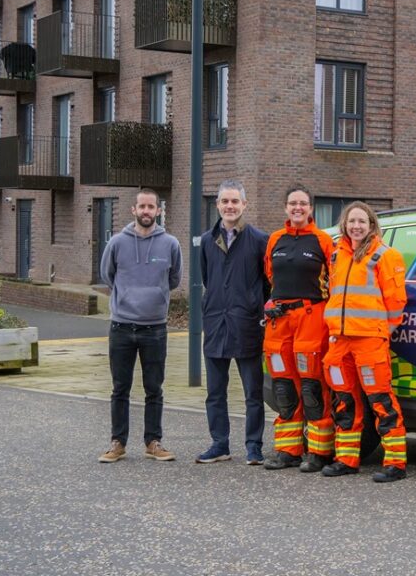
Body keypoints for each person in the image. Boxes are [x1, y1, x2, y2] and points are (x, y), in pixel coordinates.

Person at [322, 201, 408, 483]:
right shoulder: (337, 256)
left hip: (370, 340)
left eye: (362, 221)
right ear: (344, 225)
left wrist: (382, 331)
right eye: (351, 221)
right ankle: (347, 458)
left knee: (380, 400)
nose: (356, 226)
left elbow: (396, 303)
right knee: (344, 401)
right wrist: (335, 329)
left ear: (372, 225)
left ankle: (395, 462)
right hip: (340, 340)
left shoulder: (386, 255)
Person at [98, 188, 183, 463]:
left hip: (155, 328)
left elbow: (174, 279)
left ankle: (153, 442)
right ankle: (117, 442)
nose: (146, 211)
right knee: (120, 387)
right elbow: (107, 275)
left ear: (158, 211)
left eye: (151, 207)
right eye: (142, 207)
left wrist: (153, 297)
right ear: (133, 210)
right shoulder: (117, 243)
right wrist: (127, 297)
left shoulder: (170, 244)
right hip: (121, 327)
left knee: (154, 388)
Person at [262, 185, 336, 472]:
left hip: (311, 317)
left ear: (311, 208)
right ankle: (288, 451)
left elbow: (334, 280)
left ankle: (318, 452)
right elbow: (271, 275)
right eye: (293, 203)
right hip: (279, 320)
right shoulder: (275, 240)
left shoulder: (322, 240)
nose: (297, 208)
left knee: (312, 386)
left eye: (303, 204)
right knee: (283, 386)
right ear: (285, 207)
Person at [196, 179, 269, 466]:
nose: (230, 206)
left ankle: (253, 445)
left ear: (244, 205)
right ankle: (219, 444)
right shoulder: (206, 241)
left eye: (235, 201)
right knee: (215, 392)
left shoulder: (259, 240)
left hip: (247, 325)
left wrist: (254, 307)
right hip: (215, 324)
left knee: (253, 392)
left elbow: (266, 283)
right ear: (217, 205)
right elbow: (207, 278)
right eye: (225, 201)